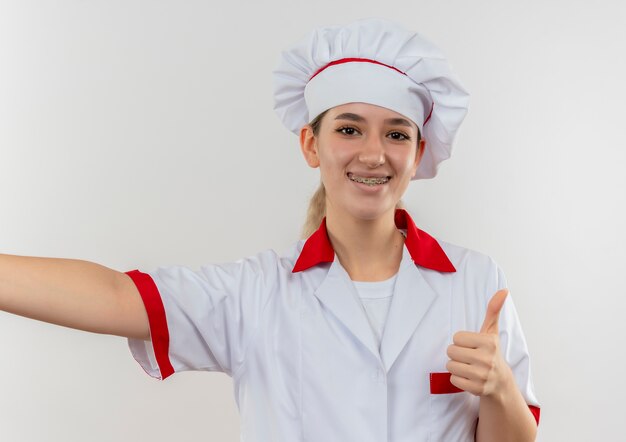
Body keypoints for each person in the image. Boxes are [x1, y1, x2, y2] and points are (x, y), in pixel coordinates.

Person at [0, 18, 540, 442]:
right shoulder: (256, 294)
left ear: (419, 151)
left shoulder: (474, 281)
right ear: (311, 143)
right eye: (349, 128)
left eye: (397, 133)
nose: (374, 154)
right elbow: (119, 295)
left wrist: (499, 391)